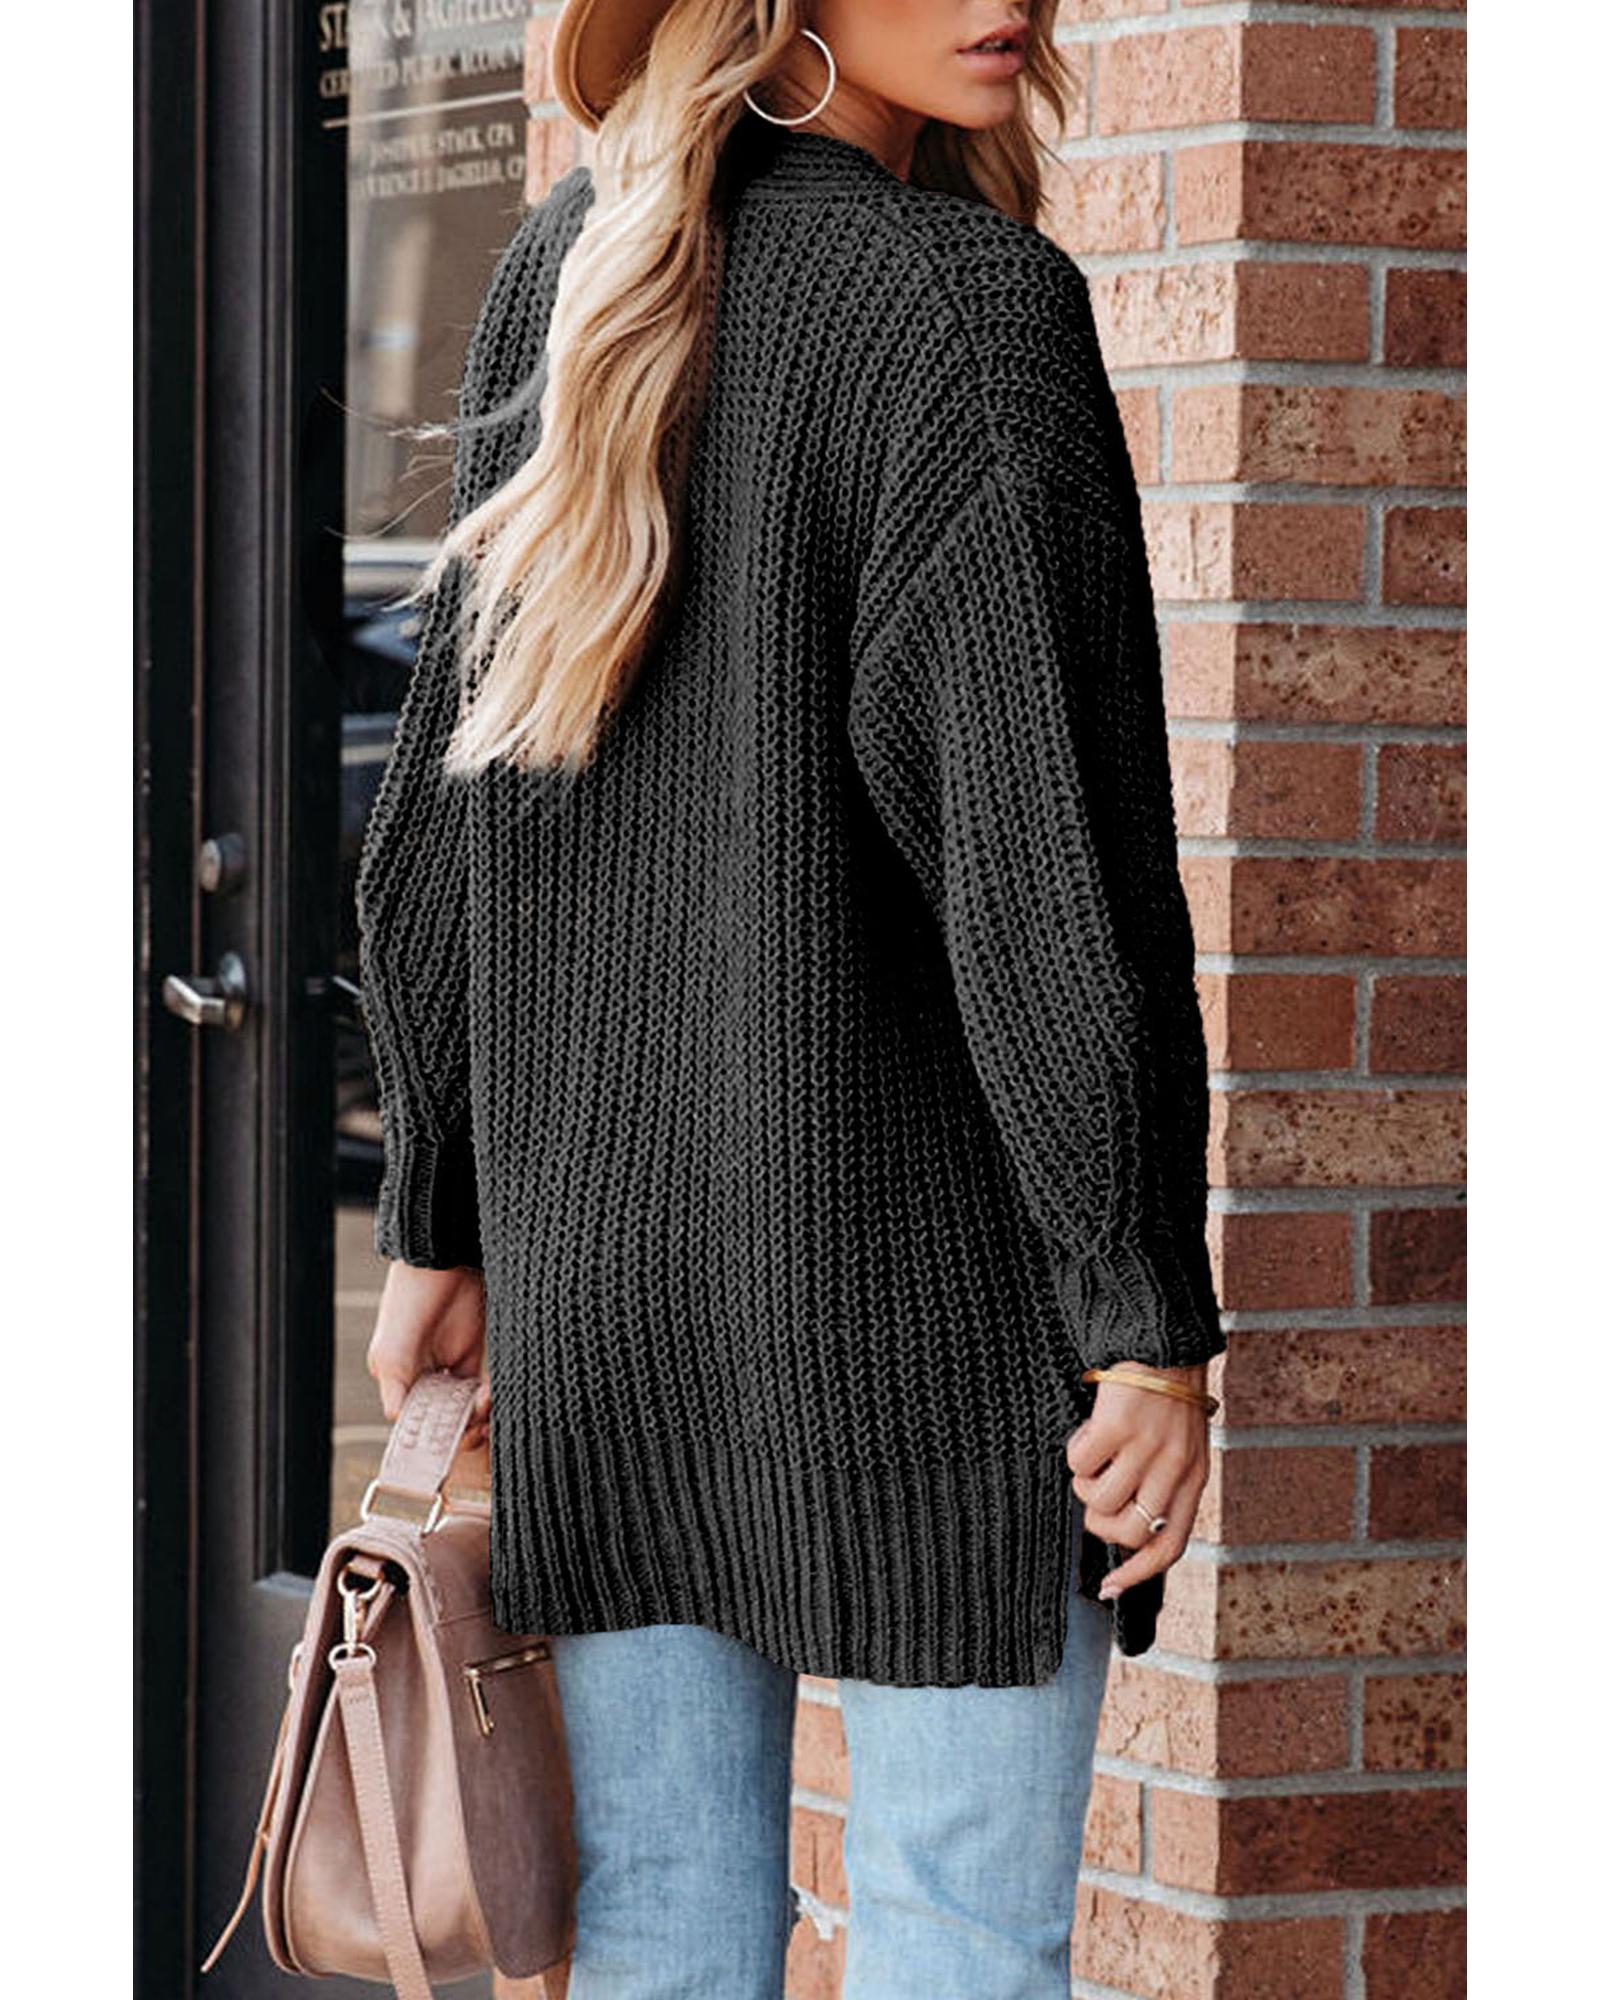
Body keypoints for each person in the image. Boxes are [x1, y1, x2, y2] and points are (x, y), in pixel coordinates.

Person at [358, 4, 1227, 1995]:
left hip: (612, 1298)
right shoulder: (965, 308)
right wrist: (1139, 1315)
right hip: (940, 1315)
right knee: (957, 1939)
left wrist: (443, 1213)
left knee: (661, 1926)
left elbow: (438, 828)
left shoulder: (567, 271)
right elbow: (1052, 882)